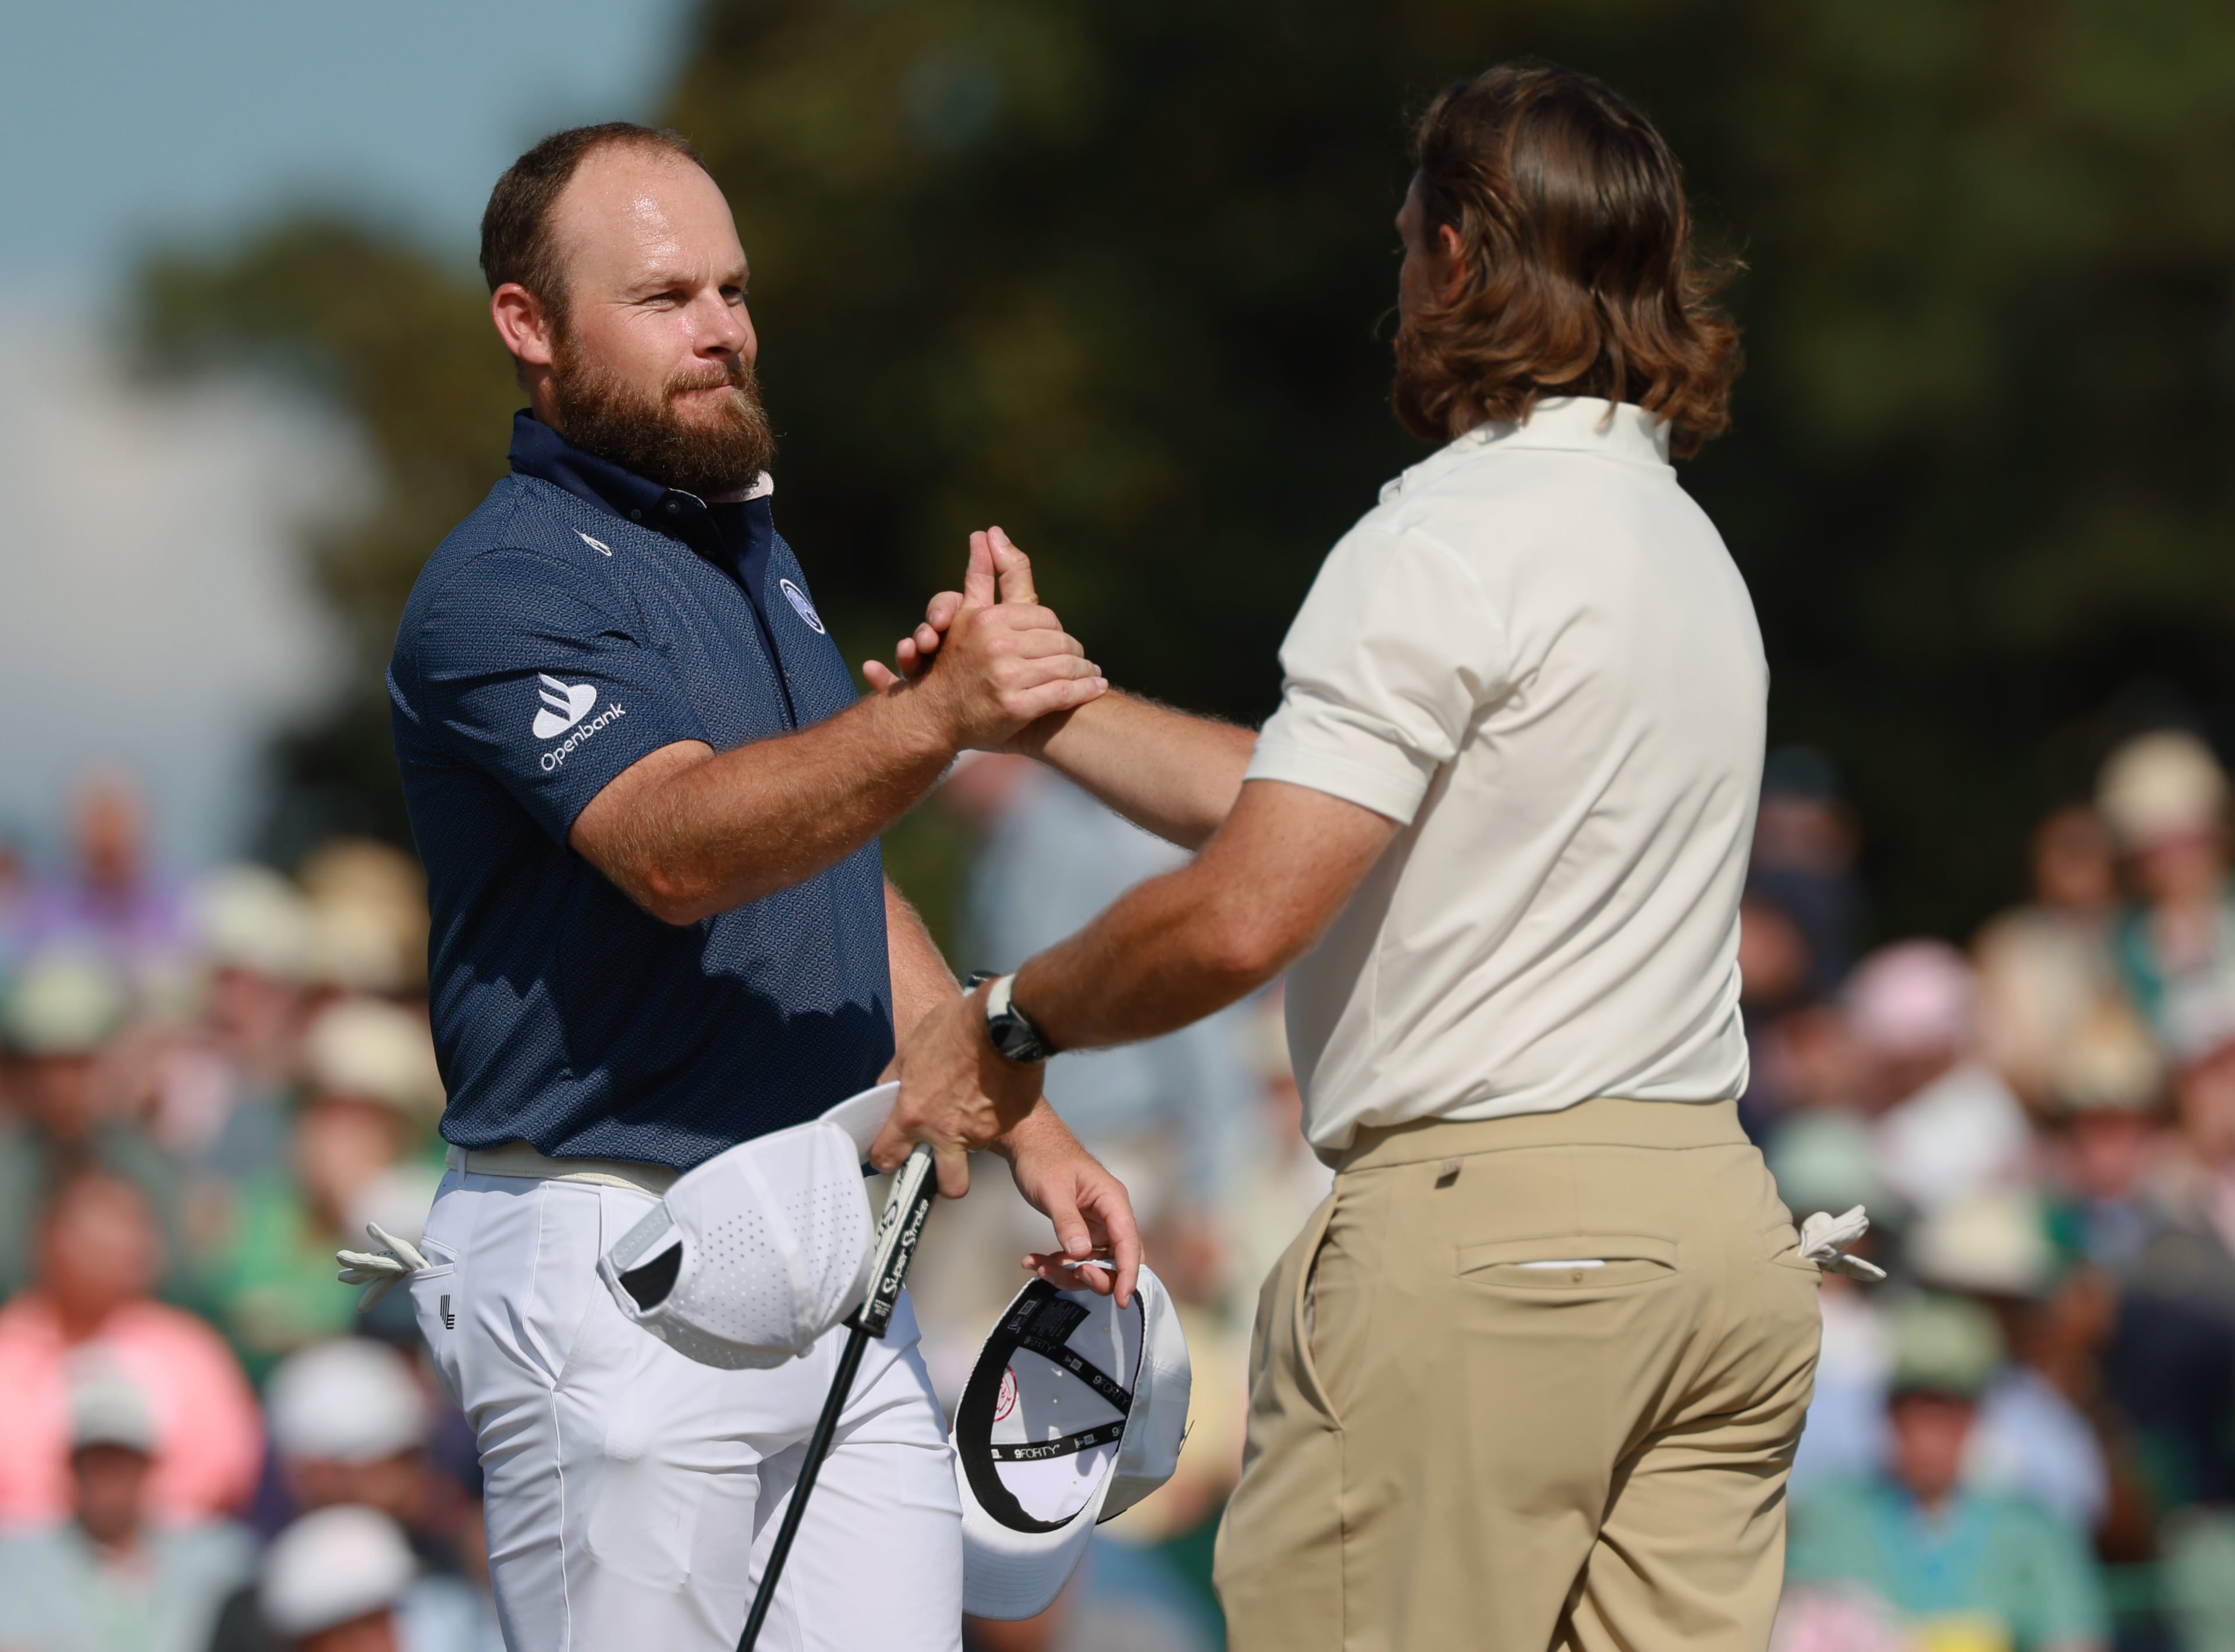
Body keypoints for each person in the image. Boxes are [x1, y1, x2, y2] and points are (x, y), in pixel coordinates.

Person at [884, 65, 1823, 1652]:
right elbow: (1311, 800)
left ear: (1457, 258)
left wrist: (1008, 1018)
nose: (1398, 277)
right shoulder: (1682, 545)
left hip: (1496, 1244)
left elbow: (1251, 906)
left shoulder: (1446, 534)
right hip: (1718, 1239)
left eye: (1408, 237)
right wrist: (1049, 708)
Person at [382, 122, 1136, 1652]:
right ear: (528, 326)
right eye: (664, 297)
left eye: (731, 288)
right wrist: (935, 718)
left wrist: (1023, 1102)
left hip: (825, 1252)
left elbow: (829, 870)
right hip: (611, 1266)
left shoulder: (748, 549)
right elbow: (675, 848)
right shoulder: (504, 580)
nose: (720, 326)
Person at [1785, 1295, 2110, 1652]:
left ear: (1974, 1421)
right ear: (1888, 1416)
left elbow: (2073, 1636)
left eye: (1947, 1416)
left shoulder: (2031, 1534)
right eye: (1915, 1414)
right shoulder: (1828, 1520)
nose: (1929, 1437)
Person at [0, 1171, 262, 1526]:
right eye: (96, 1240)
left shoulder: (187, 1349)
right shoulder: (10, 1345)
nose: (121, 1248)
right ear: (46, 1242)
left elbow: (224, 1470)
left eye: (131, 1233)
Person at [0, 1368, 256, 1652]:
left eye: (120, 1464)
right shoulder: (17, 1564)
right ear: (71, 1466)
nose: (107, 1481)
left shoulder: (216, 1558)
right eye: (95, 1463)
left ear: (149, 1466)